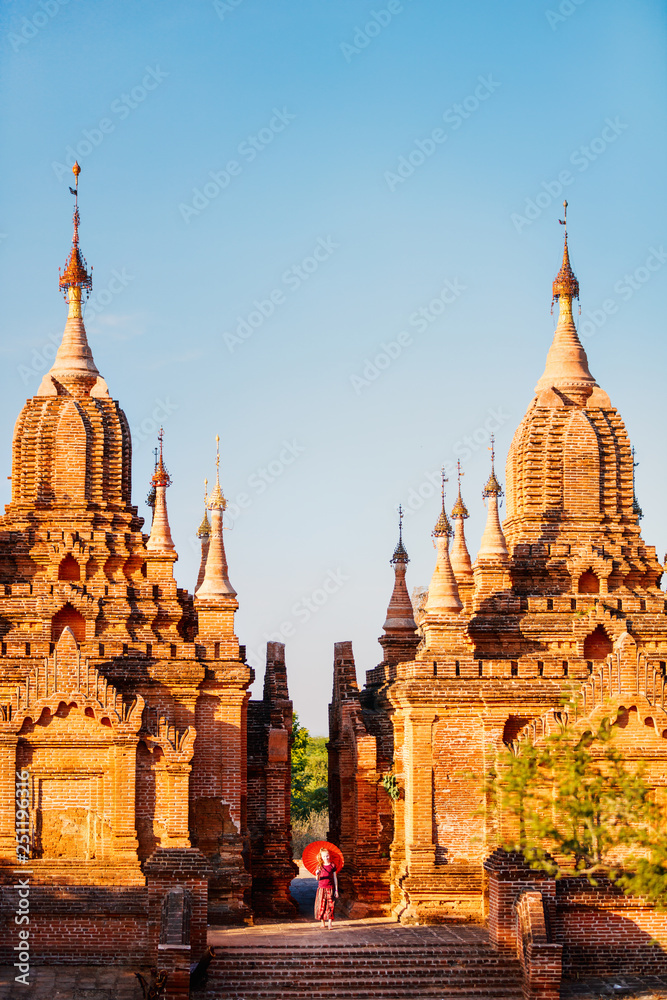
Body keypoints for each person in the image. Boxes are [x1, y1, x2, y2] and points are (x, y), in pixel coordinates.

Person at [314, 848, 338, 929]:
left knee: (330, 906)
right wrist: (317, 873)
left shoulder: (332, 865)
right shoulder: (319, 866)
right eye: (324, 856)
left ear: (329, 856)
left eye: (327, 856)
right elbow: (317, 879)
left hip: (330, 888)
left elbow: (335, 878)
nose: (326, 857)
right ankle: (322, 922)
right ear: (321, 857)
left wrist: (336, 890)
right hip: (321, 888)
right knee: (322, 906)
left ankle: (330, 923)